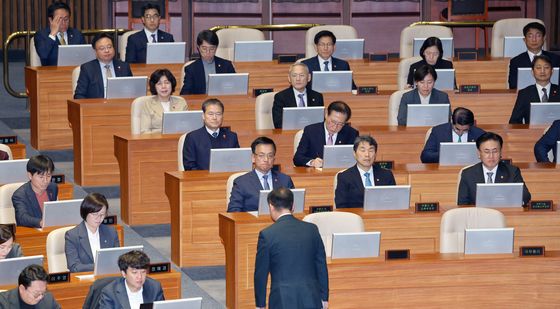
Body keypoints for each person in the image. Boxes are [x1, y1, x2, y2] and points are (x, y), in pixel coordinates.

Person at [254, 187, 329, 309]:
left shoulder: (267, 235)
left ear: (271, 206)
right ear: (293, 206)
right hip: (311, 296)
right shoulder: (312, 229)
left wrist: (260, 304)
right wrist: (324, 297)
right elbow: (321, 266)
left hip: (282, 299)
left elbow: (261, 274)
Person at [458, 132, 531, 206]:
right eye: (487, 152)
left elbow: (525, 196)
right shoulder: (468, 174)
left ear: (500, 152)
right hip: (478, 215)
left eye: (495, 151)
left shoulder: (512, 172)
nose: (491, 156)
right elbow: (462, 203)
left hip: (504, 213)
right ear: (479, 153)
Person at [228, 137, 295, 212]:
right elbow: (233, 212)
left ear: (274, 159)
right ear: (253, 158)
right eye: (261, 155)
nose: (266, 159)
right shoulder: (241, 182)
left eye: (270, 155)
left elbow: (294, 207)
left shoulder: (285, 180)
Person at [335, 136, 396, 208]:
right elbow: (341, 206)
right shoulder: (345, 177)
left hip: (381, 216)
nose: (367, 155)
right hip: (356, 218)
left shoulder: (386, 175)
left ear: (375, 154)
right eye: (363, 150)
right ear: (354, 154)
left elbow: (393, 201)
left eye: (371, 150)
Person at [64, 193, 120, 273]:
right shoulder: (72, 236)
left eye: (102, 215)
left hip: (106, 276)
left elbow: (117, 260)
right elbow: (74, 267)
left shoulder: (111, 232)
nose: (99, 218)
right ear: (85, 212)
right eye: (95, 214)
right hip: (85, 279)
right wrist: (100, 266)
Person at [293, 101, 359, 168]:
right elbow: (297, 158)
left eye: (340, 124)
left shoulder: (351, 133)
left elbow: (356, 158)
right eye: (333, 121)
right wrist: (312, 162)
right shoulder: (310, 131)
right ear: (326, 115)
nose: (335, 127)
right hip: (315, 174)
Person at [182, 98, 239, 170]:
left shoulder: (232, 137)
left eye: (218, 114)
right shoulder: (192, 137)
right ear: (203, 116)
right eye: (210, 114)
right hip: (202, 179)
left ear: (222, 116)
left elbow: (237, 162)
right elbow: (189, 166)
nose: (214, 118)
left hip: (226, 177)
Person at [74, 33, 133, 99]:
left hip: (120, 104)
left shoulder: (124, 66)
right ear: (95, 52)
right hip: (96, 107)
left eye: (109, 47)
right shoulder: (87, 69)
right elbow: (79, 95)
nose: (107, 51)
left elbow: (132, 90)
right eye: (102, 48)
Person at [98, 250, 164, 308]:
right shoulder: (110, 292)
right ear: (124, 273)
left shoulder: (155, 287)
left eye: (143, 272)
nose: (140, 277)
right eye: (134, 272)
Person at [421, 107, 486, 163]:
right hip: (445, 169)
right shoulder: (438, 131)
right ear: (452, 120)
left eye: (465, 130)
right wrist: (447, 154)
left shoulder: (480, 134)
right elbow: (425, 156)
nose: (460, 133)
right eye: (457, 129)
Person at [180, 30, 236, 95]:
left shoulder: (227, 66)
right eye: (204, 48)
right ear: (198, 47)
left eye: (211, 49)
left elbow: (235, 88)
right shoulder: (191, 69)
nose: (208, 52)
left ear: (216, 48)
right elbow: (185, 94)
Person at [509, 55, 560, 124]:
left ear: (552, 71)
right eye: (538, 68)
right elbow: (514, 121)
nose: (542, 71)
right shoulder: (524, 93)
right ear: (532, 72)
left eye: (546, 67)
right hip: (532, 133)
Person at [508, 22, 560, 89]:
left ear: (544, 39)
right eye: (530, 36)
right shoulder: (516, 61)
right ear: (524, 40)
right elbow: (513, 85)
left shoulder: (555, 59)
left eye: (538, 36)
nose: (534, 40)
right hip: (525, 97)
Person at [272, 63, 324, 128]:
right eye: (294, 75)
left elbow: (320, 122)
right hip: (289, 134)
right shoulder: (280, 97)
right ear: (289, 78)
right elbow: (278, 124)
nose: (298, 79)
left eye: (302, 75)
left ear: (309, 77)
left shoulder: (317, 96)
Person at [33, 1, 85, 66]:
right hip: (52, 73)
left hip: (74, 72)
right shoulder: (41, 35)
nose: (63, 23)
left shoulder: (77, 34)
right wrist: (52, 34)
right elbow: (43, 54)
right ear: (51, 20)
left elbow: (84, 57)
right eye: (59, 19)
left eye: (66, 19)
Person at [12, 155, 58, 228]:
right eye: (41, 177)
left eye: (48, 176)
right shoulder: (20, 195)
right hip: (31, 232)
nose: (45, 181)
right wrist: (40, 222)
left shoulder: (53, 187)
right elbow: (22, 218)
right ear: (30, 175)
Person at [140, 69, 187, 134]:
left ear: (172, 84)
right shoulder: (147, 104)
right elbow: (144, 132)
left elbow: (187, 128)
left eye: (167, 83)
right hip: (156, 142)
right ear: (154, 87)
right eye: (159, 84)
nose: (163, 86)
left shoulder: (181, 102)